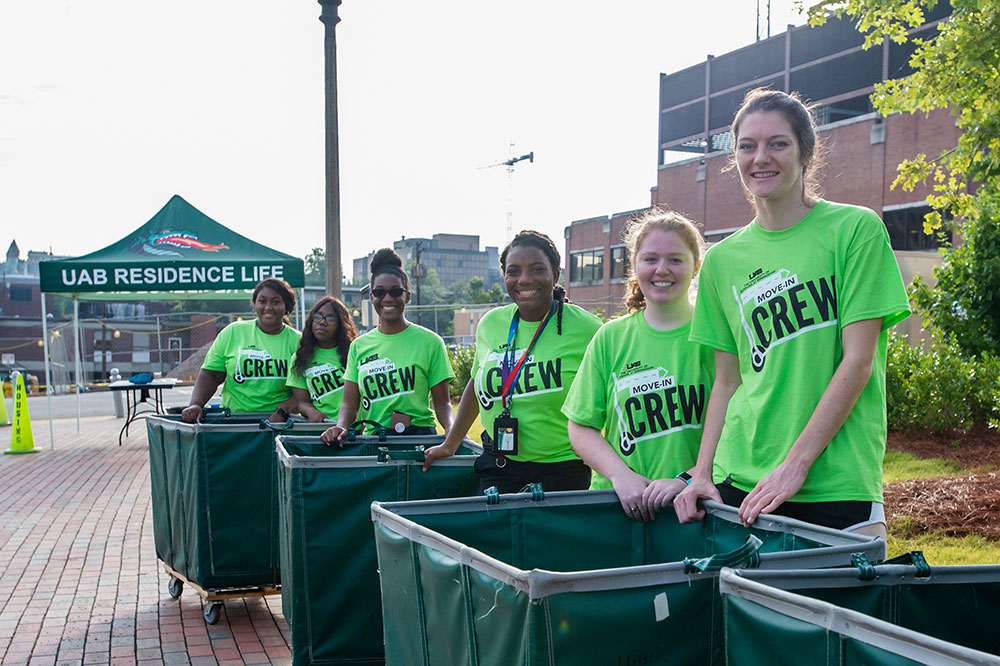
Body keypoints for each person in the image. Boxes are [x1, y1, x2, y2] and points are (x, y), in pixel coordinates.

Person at [671, 88, 910, 540]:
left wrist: (795, 465)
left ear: (806, 151)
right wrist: (702, 471)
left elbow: (857, 362)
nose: (761, 158)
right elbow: (727, 380)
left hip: (836, 483)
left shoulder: (855, 231)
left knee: (846, 609)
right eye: (747, 146)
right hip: (743, 482)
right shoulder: (722, 261)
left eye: (777, 143)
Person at [563, 210, 714, 521]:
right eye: (650, 259)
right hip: (619, 507)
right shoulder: (611, 338)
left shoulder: (715, 336)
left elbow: (732, 428)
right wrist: (621, 476)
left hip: (692, 509)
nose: (662, 270)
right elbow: (581, 426)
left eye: (675, 259)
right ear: (634, 264)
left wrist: (687, 479)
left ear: (696, 266)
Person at [423, 230, 602, 493]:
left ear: (555, 273)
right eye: (513, 271)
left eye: (537, 269)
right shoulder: (491, 324)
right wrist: (450, 443)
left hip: (564, 470)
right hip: (499, 466)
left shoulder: (589, 328)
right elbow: (476, 383)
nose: (524, 279)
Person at [320, 249, 453, 441]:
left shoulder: (430, 342)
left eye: (396, 291)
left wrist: (452, 429)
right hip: (375, 441)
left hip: (419, 440)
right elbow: (349, 404)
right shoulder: (359, 347)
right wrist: (340, 427)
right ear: (372, 297)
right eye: (379, 292)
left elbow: (443, 404)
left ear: (407, 296)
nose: (388, 298)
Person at [181, 278, 301, 423]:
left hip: (279, 423)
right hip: (235, 424)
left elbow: (305, 392)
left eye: (275, 302)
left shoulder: (299, 342)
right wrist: (196, 404)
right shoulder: (233, 332)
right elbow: (211, 375)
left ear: (286, 307)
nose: (268, 307)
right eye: (262, 301)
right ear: (255, 304)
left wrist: (283, 410)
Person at [287, 296, 358, 422]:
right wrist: (311, 411)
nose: (322, 322)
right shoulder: (300, 358)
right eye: (318, 317)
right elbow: (302, 402)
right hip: (323, 429)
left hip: (356, 429)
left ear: (341, 324)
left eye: (330, 319)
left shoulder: (354, 352)